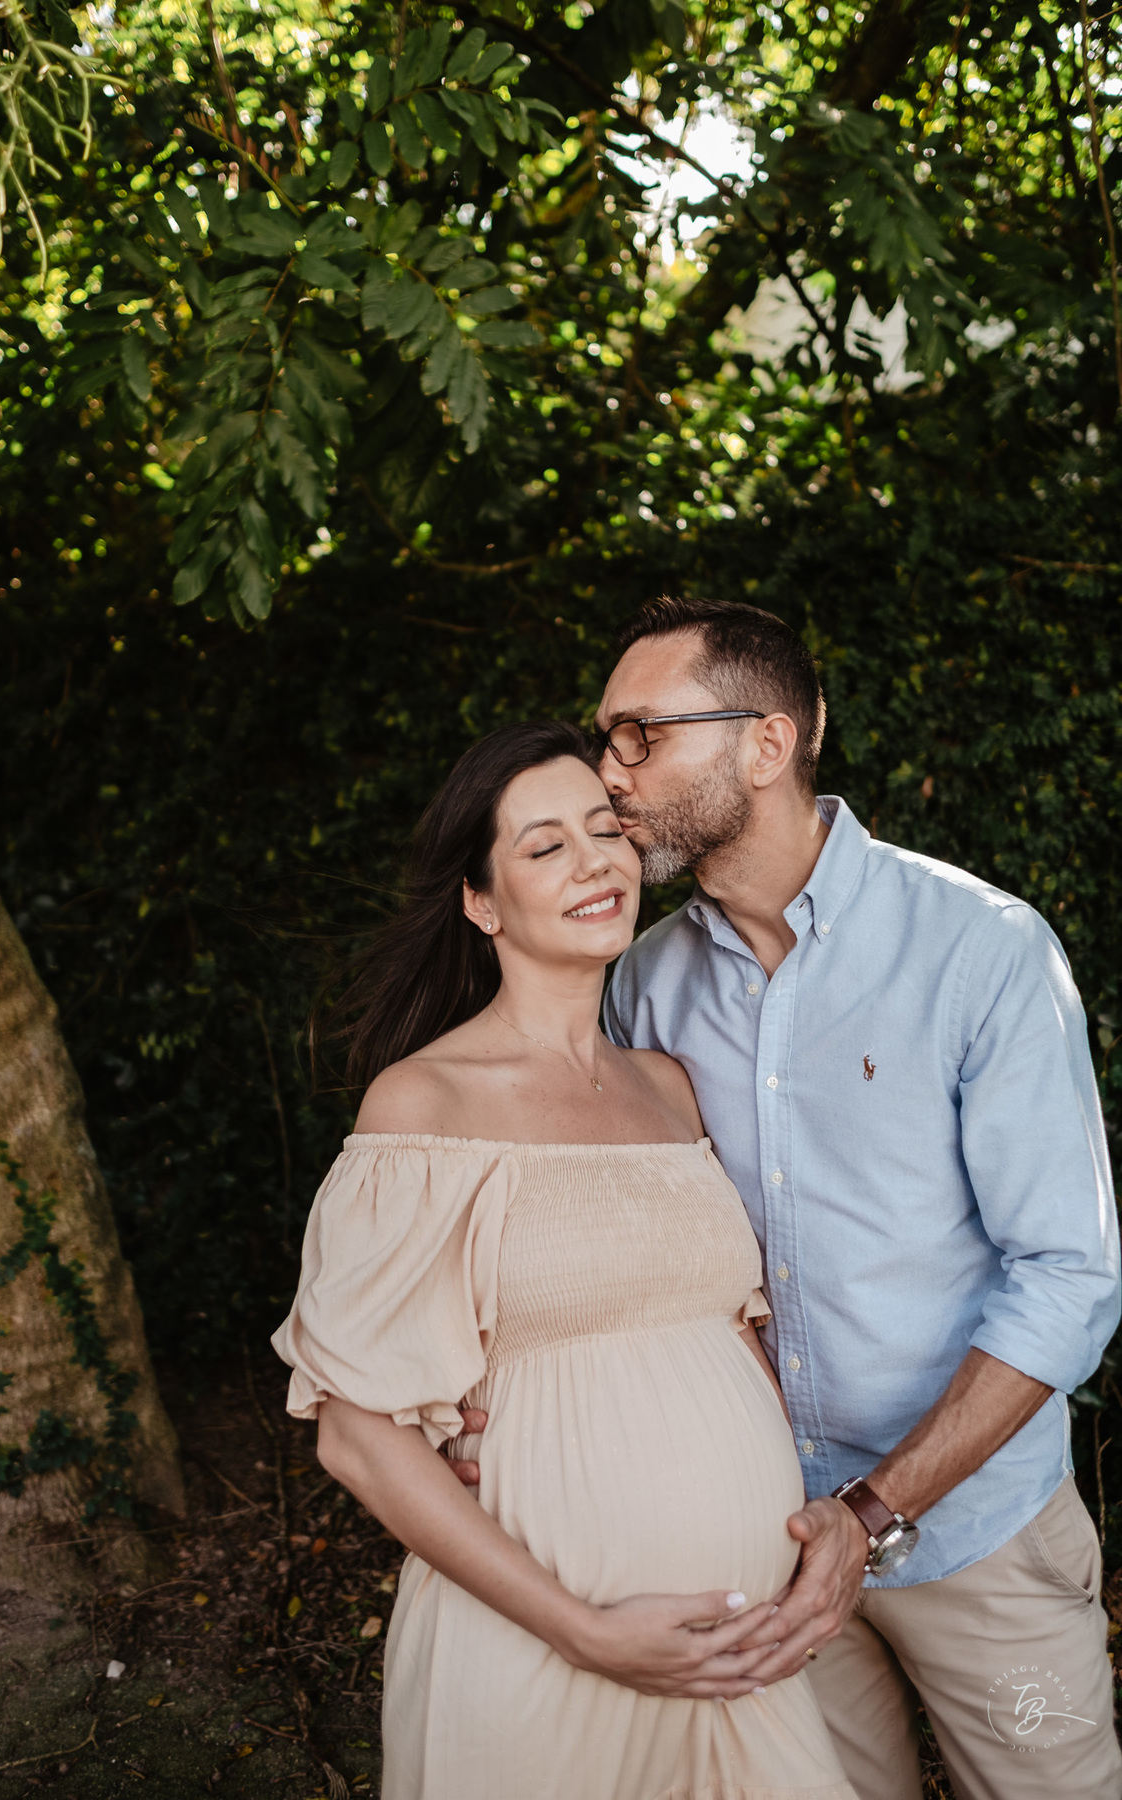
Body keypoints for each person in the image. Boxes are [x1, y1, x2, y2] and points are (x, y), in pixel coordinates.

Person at [589, 596, 1121, 1800]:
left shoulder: (981, 949)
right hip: (756, 1545)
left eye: (640, 736)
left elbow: (1070, 1277)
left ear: (766, 745)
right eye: (605, 739)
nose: (609, 774)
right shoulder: (640, 989)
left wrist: (871, 1513)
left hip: (981, 1544)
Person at [273, 719, 857, 1800]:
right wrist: (586, 1631)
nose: (594, 861)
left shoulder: (672, 1085)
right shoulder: (426, 1103)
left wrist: (811, 1503)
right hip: (547, 1650)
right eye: (544, 847)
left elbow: (734, 1335)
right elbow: (359, 1436)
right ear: (481, 901)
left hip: (742, 1647)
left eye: (605, 830)